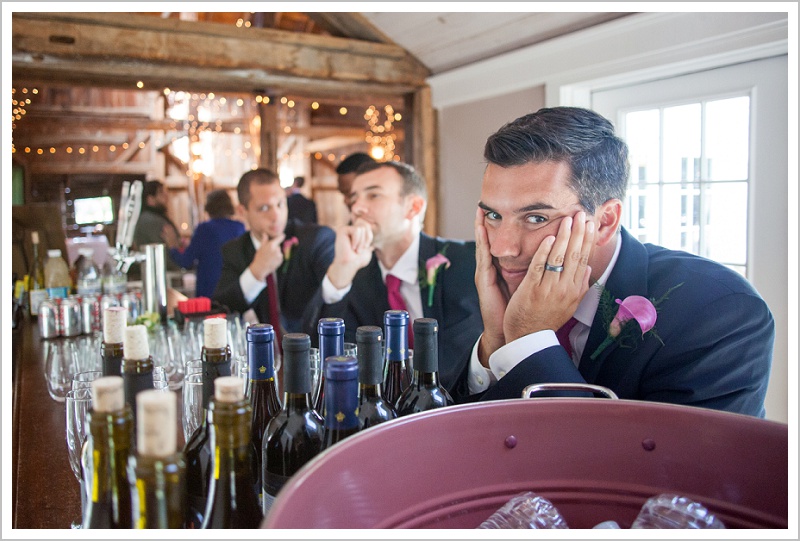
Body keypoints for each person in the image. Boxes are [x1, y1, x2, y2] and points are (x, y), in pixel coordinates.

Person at [468, 106, 773, 417]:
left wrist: (527, 340)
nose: (502, 248)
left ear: (605, 221)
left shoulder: (722, 313)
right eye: (493, 215)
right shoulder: (497, 287)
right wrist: (495, 343)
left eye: (536, 217)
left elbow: (650, 465)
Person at [314, 160, 483, 399]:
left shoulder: (467, 263)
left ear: (413, 207)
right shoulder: (354, 279)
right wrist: (341, 271)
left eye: (373, 196)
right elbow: (316, 354)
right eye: (354, 198)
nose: (357, 208)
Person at [213, 168, 335, 335]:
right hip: (260, 354)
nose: (276, 215)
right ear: (242, 212)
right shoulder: (234, 251)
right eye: (264, 208)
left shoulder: (314, 240)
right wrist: (256, 273)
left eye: (280, 204)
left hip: (311, 350)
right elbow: (222, 308)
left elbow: (333, 300)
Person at [168, 189, 245, 298]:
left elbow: (185, 261)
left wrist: (172, 246)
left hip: (210, 291)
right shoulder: (239, 228)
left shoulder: (204, 229)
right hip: (235, 289)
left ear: (209, 207)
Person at [133, 179, 181, 271]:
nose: (166, 196)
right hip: (160, 272)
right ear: (150, 199)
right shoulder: (151, 221)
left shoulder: (153, 218)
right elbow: (165, 254)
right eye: (161, 193)